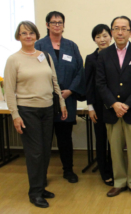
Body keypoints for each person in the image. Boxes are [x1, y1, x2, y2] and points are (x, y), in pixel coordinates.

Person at [4, 21, 67, 208]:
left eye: (31, 33)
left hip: (47, 109)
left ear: (36, 35)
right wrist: (15, 114)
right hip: (27, 110)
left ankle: (40, 186)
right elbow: (9, 90)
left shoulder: (45, 56)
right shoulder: (13, 60)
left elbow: (54, 81)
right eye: (24, 33)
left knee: (46, 151)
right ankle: (35, 192)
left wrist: (61, 103)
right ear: (18, 36)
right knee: (35, 153)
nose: (28, 36)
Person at [96, 16, 131, 198]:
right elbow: (100, 83)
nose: (120, 32)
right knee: (115, 149)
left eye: (124, 28)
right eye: (116, 28)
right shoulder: (103, 55)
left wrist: (126, 104)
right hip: (111, 111)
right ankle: (119, 182)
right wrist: (114, 104)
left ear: (130, 32)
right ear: (111, 32)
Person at [35, 11, 85, 184]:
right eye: (53, 22)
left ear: (64, 25)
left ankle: (68, 170)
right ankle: (42, 175)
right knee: (44, 140)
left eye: (60, 22)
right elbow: (34, 71)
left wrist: (70, 90)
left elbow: (80, 70)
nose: (57, 25)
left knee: (65, 138)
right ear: (47, 25)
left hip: (67, 98)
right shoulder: (38, 46)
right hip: (45, 99)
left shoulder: (71, 46)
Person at [85, 24, 113, 186]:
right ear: (94, 40)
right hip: (98, 106)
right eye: (98, 37)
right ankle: (105, 172)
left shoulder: (117, 55)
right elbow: (88, 84)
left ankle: (116, 169)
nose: (102, 40)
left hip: (115, 106)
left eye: (104, 36)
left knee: (115, 142)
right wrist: (90, 107)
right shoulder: (91, 59)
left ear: (110, 36)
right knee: (101, 140)